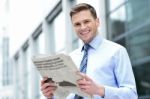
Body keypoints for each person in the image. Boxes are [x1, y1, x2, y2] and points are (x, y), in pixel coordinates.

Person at [41, 3, 138, 99]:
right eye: (77, 24)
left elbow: (132, 95)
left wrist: (99, 90)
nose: (83, 27)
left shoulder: (117, 51)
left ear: (97, 22)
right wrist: (51, 95)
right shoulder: (70, 58)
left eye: (86, 21)